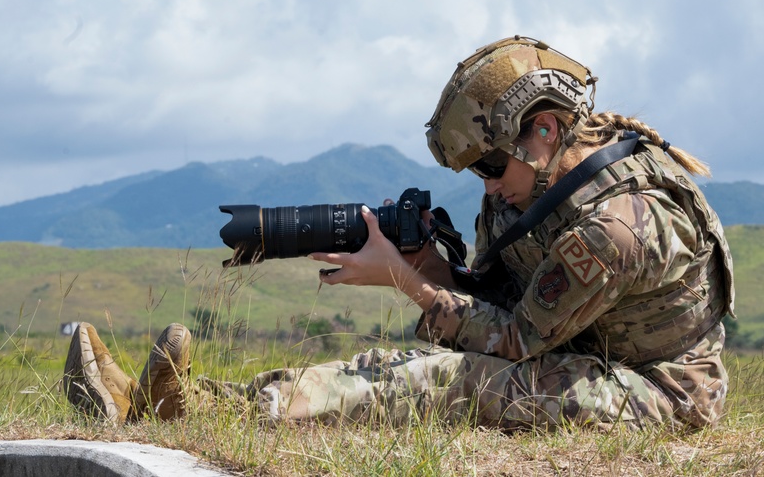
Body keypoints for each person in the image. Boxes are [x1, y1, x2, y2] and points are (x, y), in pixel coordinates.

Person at [63, 36, 734, 431]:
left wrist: (408, 283)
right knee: (401, 364)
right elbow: (503, 304)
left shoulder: (618, 227)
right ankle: (186, 402)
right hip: (580, 349)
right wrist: (438, 275)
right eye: (477, 171)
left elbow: (514, 339)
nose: (487, 185)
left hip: (660, 391)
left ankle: (213, 414)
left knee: (454, 378)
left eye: (491, 165)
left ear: (546, 130)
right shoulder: (529, 186)